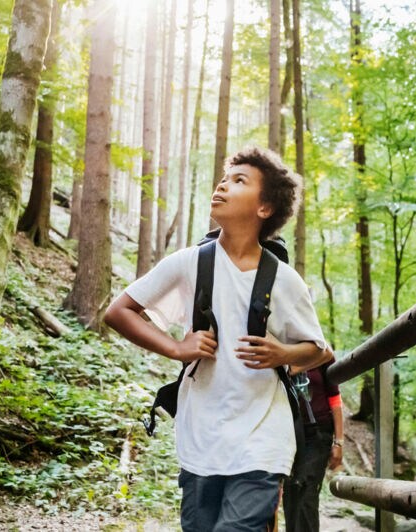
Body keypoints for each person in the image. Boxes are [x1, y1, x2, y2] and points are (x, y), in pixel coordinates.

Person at [104, 147, 330, 531]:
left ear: (264, 208)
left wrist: (282, 353)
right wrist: (176, 347)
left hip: (263, 438)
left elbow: (319, 350)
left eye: (239, 181)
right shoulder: (188, 262)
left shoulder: (285, 281)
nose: (223, 185)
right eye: (224, 178)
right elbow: (118, 312)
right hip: (200, 438)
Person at [282, 352, 344, 532]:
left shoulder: (322, 353)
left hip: (318, 432)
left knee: (306, 488)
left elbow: (335, 398)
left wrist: (338, 442)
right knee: (291, 491)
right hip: (290, 433)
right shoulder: (281, 350)